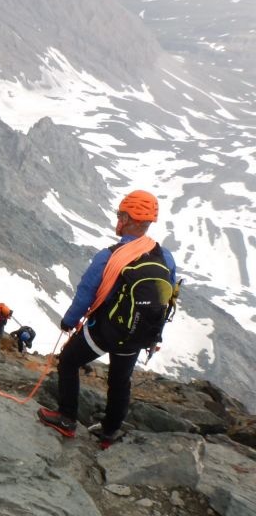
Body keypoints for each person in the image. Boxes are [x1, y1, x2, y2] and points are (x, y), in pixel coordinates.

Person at [38, 190, 177, 448]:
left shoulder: (109, 256)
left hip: (105, 331)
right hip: (138, 333)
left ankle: (67, 419)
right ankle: (109, 433)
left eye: (120, 214)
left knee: (68, 362)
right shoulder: (165, 257)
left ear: (127, 218)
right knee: (120, 381)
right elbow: (165, 297)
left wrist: (69, 321)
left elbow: (86, 293)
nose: (118, 219)